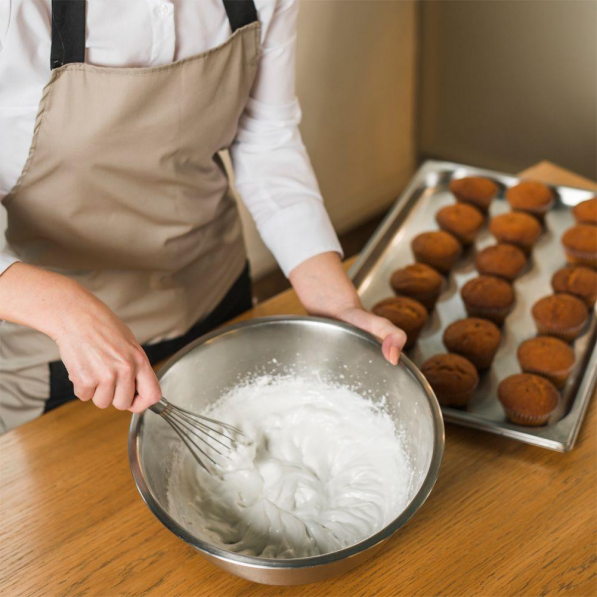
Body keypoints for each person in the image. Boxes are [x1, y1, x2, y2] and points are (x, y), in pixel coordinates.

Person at [0, 0, 406, 433]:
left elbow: (265, 138)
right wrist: (68, 311)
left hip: (215, 294)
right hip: (57, 351)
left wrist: (336, 301)